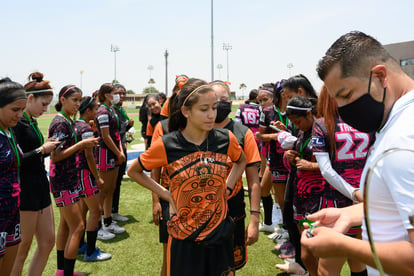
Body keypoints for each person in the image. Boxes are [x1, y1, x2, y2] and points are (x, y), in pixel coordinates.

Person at [301, 31, 414, 276]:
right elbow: (399, 206)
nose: (342, 109)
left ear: (380, 75)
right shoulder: (397, 123)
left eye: (346, 95)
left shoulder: (403, 141)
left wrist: (344, 245)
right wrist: (350, 214)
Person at [127, 78, 247, 276]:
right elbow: (134, 170)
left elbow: (241, 161)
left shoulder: (226, 139)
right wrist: (165, 195)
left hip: (220, 235)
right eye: (204, 109)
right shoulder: (168, 144)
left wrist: (227, 187)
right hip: (185, 239)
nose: (211, 115)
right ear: (186, 111)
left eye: (214, 108)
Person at [11, 72, 59, 276]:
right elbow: (15, 159)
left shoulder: (30, 121)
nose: (46, 109)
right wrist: (43, 150)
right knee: (21, 250)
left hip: (40, 186)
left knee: (48, 242)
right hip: (25, 190)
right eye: (43, 104)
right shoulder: (16, 123)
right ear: (30, 99)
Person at [48, 85, 99, 276]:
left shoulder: (68, 121)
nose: (77, 104)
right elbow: (55, 156)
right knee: (78, 227)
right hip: (63, 181)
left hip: (70, 178)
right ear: (62, 99)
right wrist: (82, 144)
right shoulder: (60, 123)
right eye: (74, 100)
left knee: (66, 225)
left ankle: (62, 271)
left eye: (79, 100)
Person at [212, 80, 261, 270]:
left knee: (230, 266)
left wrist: (255, 220)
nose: (219, 104)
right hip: (201, 210)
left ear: (230, 103)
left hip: (232, 210)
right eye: (214, 100)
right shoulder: (196, 131)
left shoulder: (242, 133)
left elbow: (254, 181)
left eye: (223, 99)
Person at [276, 96, 324, 275]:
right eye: (293, 123)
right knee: (305, 250)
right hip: (300, 193)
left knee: (316, 246)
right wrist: (290, 157)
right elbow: (297, 165)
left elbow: (335, 164)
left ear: (309, 114)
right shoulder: (302, 133)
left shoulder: (323, 130)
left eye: (298, 121)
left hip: (318, 195)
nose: (296, 126)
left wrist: (312, 166)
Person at [75, 96, 112, 262]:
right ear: (88, 111)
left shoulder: (77, 125)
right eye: (95, 109)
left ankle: (80, 245)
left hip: (78, 173)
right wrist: (97, 177)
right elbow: (89, 156)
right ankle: (90, 252)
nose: (97, 112)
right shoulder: (86, 129)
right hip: (85, 174)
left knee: (83, 210)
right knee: (96, 211)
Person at [0, 78, 26, 276]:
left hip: (12, 212)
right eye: (15, 109)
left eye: (22, 109)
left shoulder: (10, 132)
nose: (20, 115)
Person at [256, 82, 289, 232]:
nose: (262, 103)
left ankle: (288, 230)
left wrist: (287, 132)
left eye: (265, 99)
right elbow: (260, 135)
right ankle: (274, 224)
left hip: (295, 157)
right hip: (275, 158)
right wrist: (277, 135)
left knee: (292, 198)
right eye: (259, 100)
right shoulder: (268, 112)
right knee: (274, 194)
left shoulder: (296, 108)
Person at [95, 83, 126, 237]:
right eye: (115, 93)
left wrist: (120, 150)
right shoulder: (102, 111)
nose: (118, 95)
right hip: (104, 154)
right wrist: (118, 152)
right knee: (103, 190)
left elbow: (116, 134)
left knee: (111, 189)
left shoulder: (112, 109)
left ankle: (107, 221)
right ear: (107, 95)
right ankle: (97, 225)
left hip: (113, 153)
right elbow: (105, 136)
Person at [112, 83, 134, 222]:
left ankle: (114, 211)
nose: (121, 96)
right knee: (110, 186)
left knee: (118, 182)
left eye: (123, 93)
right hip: (113, 153)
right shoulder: (111, 110)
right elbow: (112, 133)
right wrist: (126, 126)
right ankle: (106, 216)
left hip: (122, 149)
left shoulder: (120, 109)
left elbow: (120, 131)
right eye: (118, 93)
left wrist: (128, 127)